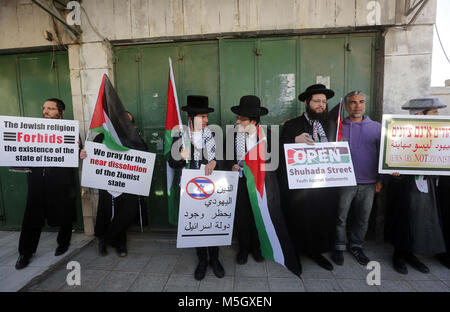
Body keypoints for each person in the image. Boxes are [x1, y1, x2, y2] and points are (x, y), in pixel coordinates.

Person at [279, 84, 339, 271]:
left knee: (321, 218)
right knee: (299, 219)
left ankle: (316, 252)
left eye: (323, 102)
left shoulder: (331, 125)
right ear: (307, 102)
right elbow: (278, 153)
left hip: (323, 184)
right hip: (299, 186)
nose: (321, 105)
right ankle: (295, 253)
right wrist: (293, 141)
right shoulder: (292, 125)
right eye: (316, 101)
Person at [15, 98, 79, 270]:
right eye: (44, 108)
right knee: (32, 216)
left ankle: (63, 243)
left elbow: (77, 154)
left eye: (50, 108)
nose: (46, 111)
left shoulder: (70, 130)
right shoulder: (33, 128)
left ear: (61, 112)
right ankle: (25, 252)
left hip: (61, 179)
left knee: (65, 211)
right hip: (37, 179)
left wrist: (80, 150)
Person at [168, 95, 225, 281]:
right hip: (190, 189)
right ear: (191, 118)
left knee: (213, 223)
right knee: (198, 225)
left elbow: (223, 158)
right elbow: (171, 162)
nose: (207, 120)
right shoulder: (181, 136)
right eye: (203, 117)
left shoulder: (213, 134)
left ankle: (215, 259)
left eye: (207, 117)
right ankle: (202, 260)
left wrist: (215, 160)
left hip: (212, 186)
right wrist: (180, 156)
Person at [388, 98, 447, 274]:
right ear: (421, 114)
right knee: (404, 219)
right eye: (434, 112)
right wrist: (394, 172)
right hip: (406, 185)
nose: (438, 116)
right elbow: (390, 158)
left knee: (421, 218)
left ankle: (410, 254)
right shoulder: (399, 134)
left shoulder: (439, 133)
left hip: (428, 182)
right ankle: (398, 255)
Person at [80, 111, 147, 258]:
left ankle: (111, 240)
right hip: (107, 182)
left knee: (126, 214)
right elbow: (91, 155)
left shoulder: (135, 139)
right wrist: (84, 154)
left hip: (128, 184)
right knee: (106, 213)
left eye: (128, 121)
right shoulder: (101, 137)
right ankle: (110, 243)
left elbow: (145, 156)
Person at [330, 91, 382, 266]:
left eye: (361, 102)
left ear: (365, 104)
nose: (357, 105)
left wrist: (380, 179)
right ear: (346, 106)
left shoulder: (377, 127)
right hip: (344, 181)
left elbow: (384, 155)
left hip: (368, 182)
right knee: (340, 216)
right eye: (353, 102)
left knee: (362, 217)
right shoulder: (337, 126)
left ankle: (357, 246)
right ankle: (339, 246)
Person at [228, 95, 267, 265]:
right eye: (237, 118)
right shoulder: (232, 135)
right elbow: (226, 156)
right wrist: (232, 165)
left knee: (258, 215)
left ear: (253, 121)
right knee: (242, 216)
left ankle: (257, 247)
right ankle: (243, 248)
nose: (237, 121)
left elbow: (272, 161)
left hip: (260, 182)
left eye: (241, 119)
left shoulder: (266, 135)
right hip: (240, 181)